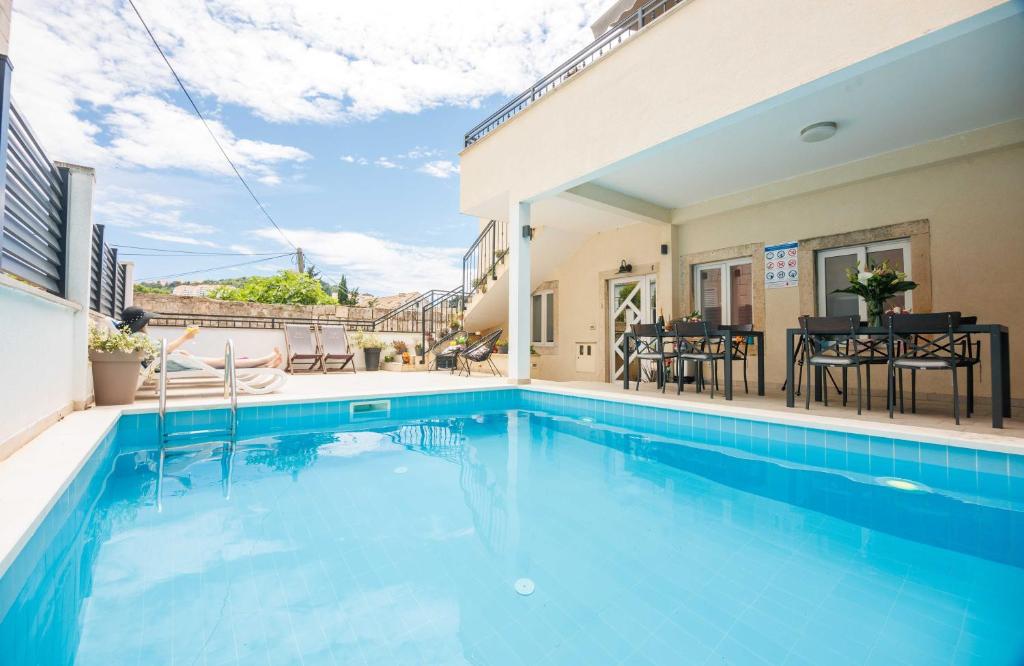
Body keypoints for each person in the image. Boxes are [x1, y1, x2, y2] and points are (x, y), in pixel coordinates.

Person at [116, 306, 283, 369]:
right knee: (222, 362)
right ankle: (266, 359)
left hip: (172, 360)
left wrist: (179, 353)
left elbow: (158, 352)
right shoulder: (138, 336)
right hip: (169, 363)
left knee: (221, 361)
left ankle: (266, 365)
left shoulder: (136, 336)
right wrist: (186, 337)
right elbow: (163, 350)